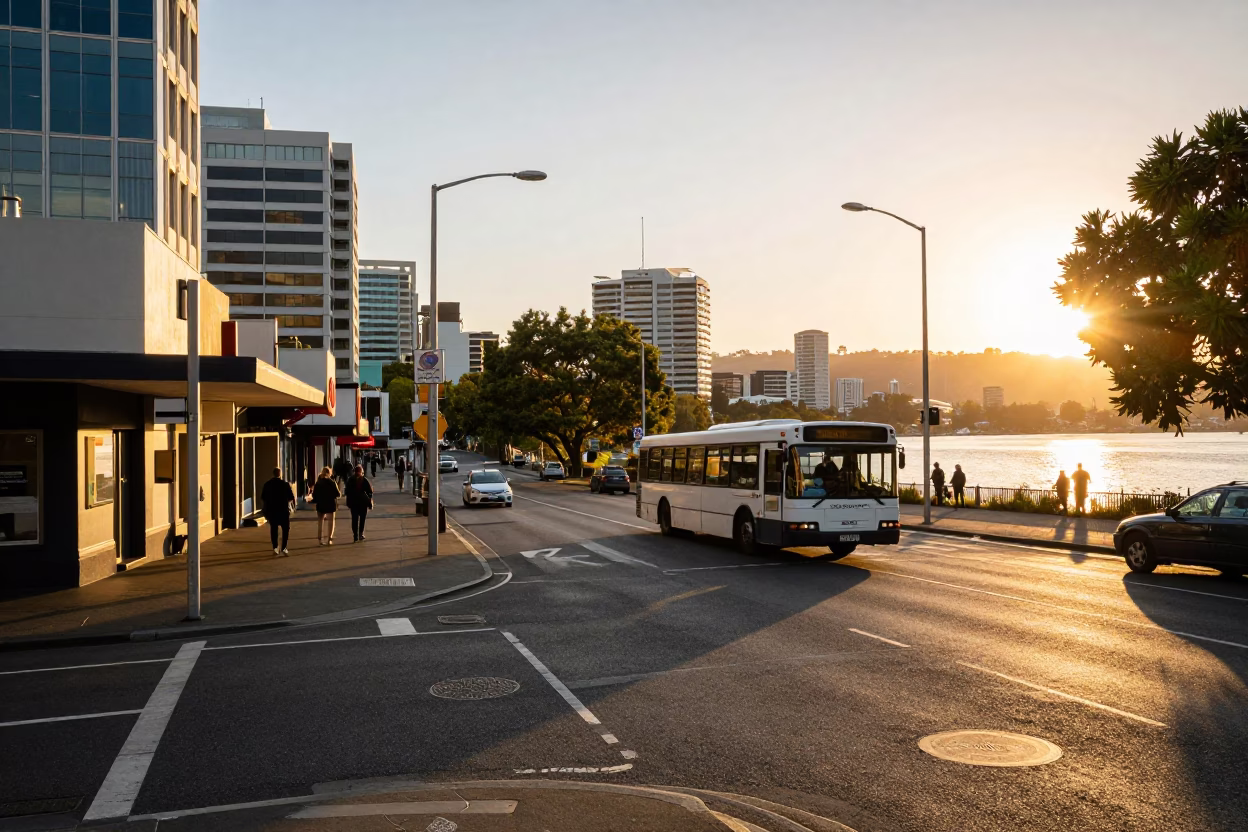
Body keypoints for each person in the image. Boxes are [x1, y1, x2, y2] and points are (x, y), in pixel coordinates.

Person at [260, 467, 296, 556]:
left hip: (272, 511)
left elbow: (263, 497)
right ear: (280, 474)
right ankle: (284, 547)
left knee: (274, 529)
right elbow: (291, 497)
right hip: (283, 510)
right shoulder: (285, 484)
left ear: (273, 474)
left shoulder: (267, 484)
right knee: (285, 529)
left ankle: (275, 547)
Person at [311, 466, 341, 545]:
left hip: (320, 504)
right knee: (331, 521)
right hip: (330, 504)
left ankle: (320, 539)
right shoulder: (332, 482)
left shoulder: (318, 483)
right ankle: (329, 539)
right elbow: (338, 494)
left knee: (320, 521)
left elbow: (314, 495)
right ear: (329, 473)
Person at [345, 464, 375, 542]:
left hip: (353, 503)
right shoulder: (364, 480)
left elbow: (346, 492)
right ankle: (360, 534)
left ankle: (355, 535)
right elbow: (370, 492)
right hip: (363, 503)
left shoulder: (350, 480)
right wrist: (369, 500)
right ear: (362, 472)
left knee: (354, 520)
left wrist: (348, 502)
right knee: (362, 519)